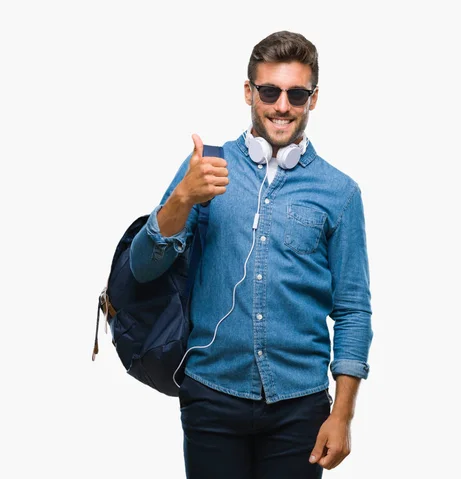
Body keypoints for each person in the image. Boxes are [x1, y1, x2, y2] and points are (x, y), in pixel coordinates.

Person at [129, 30, 373, 478]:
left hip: (299, 405)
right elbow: (143, 268)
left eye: (296, 94)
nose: (282, 105)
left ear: (312, 99)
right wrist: (182, 199)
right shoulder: (206, 170)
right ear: (249, 92)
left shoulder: (339, 192)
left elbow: (354, 310)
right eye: (270, 91)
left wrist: (342, 415)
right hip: (211, 394)